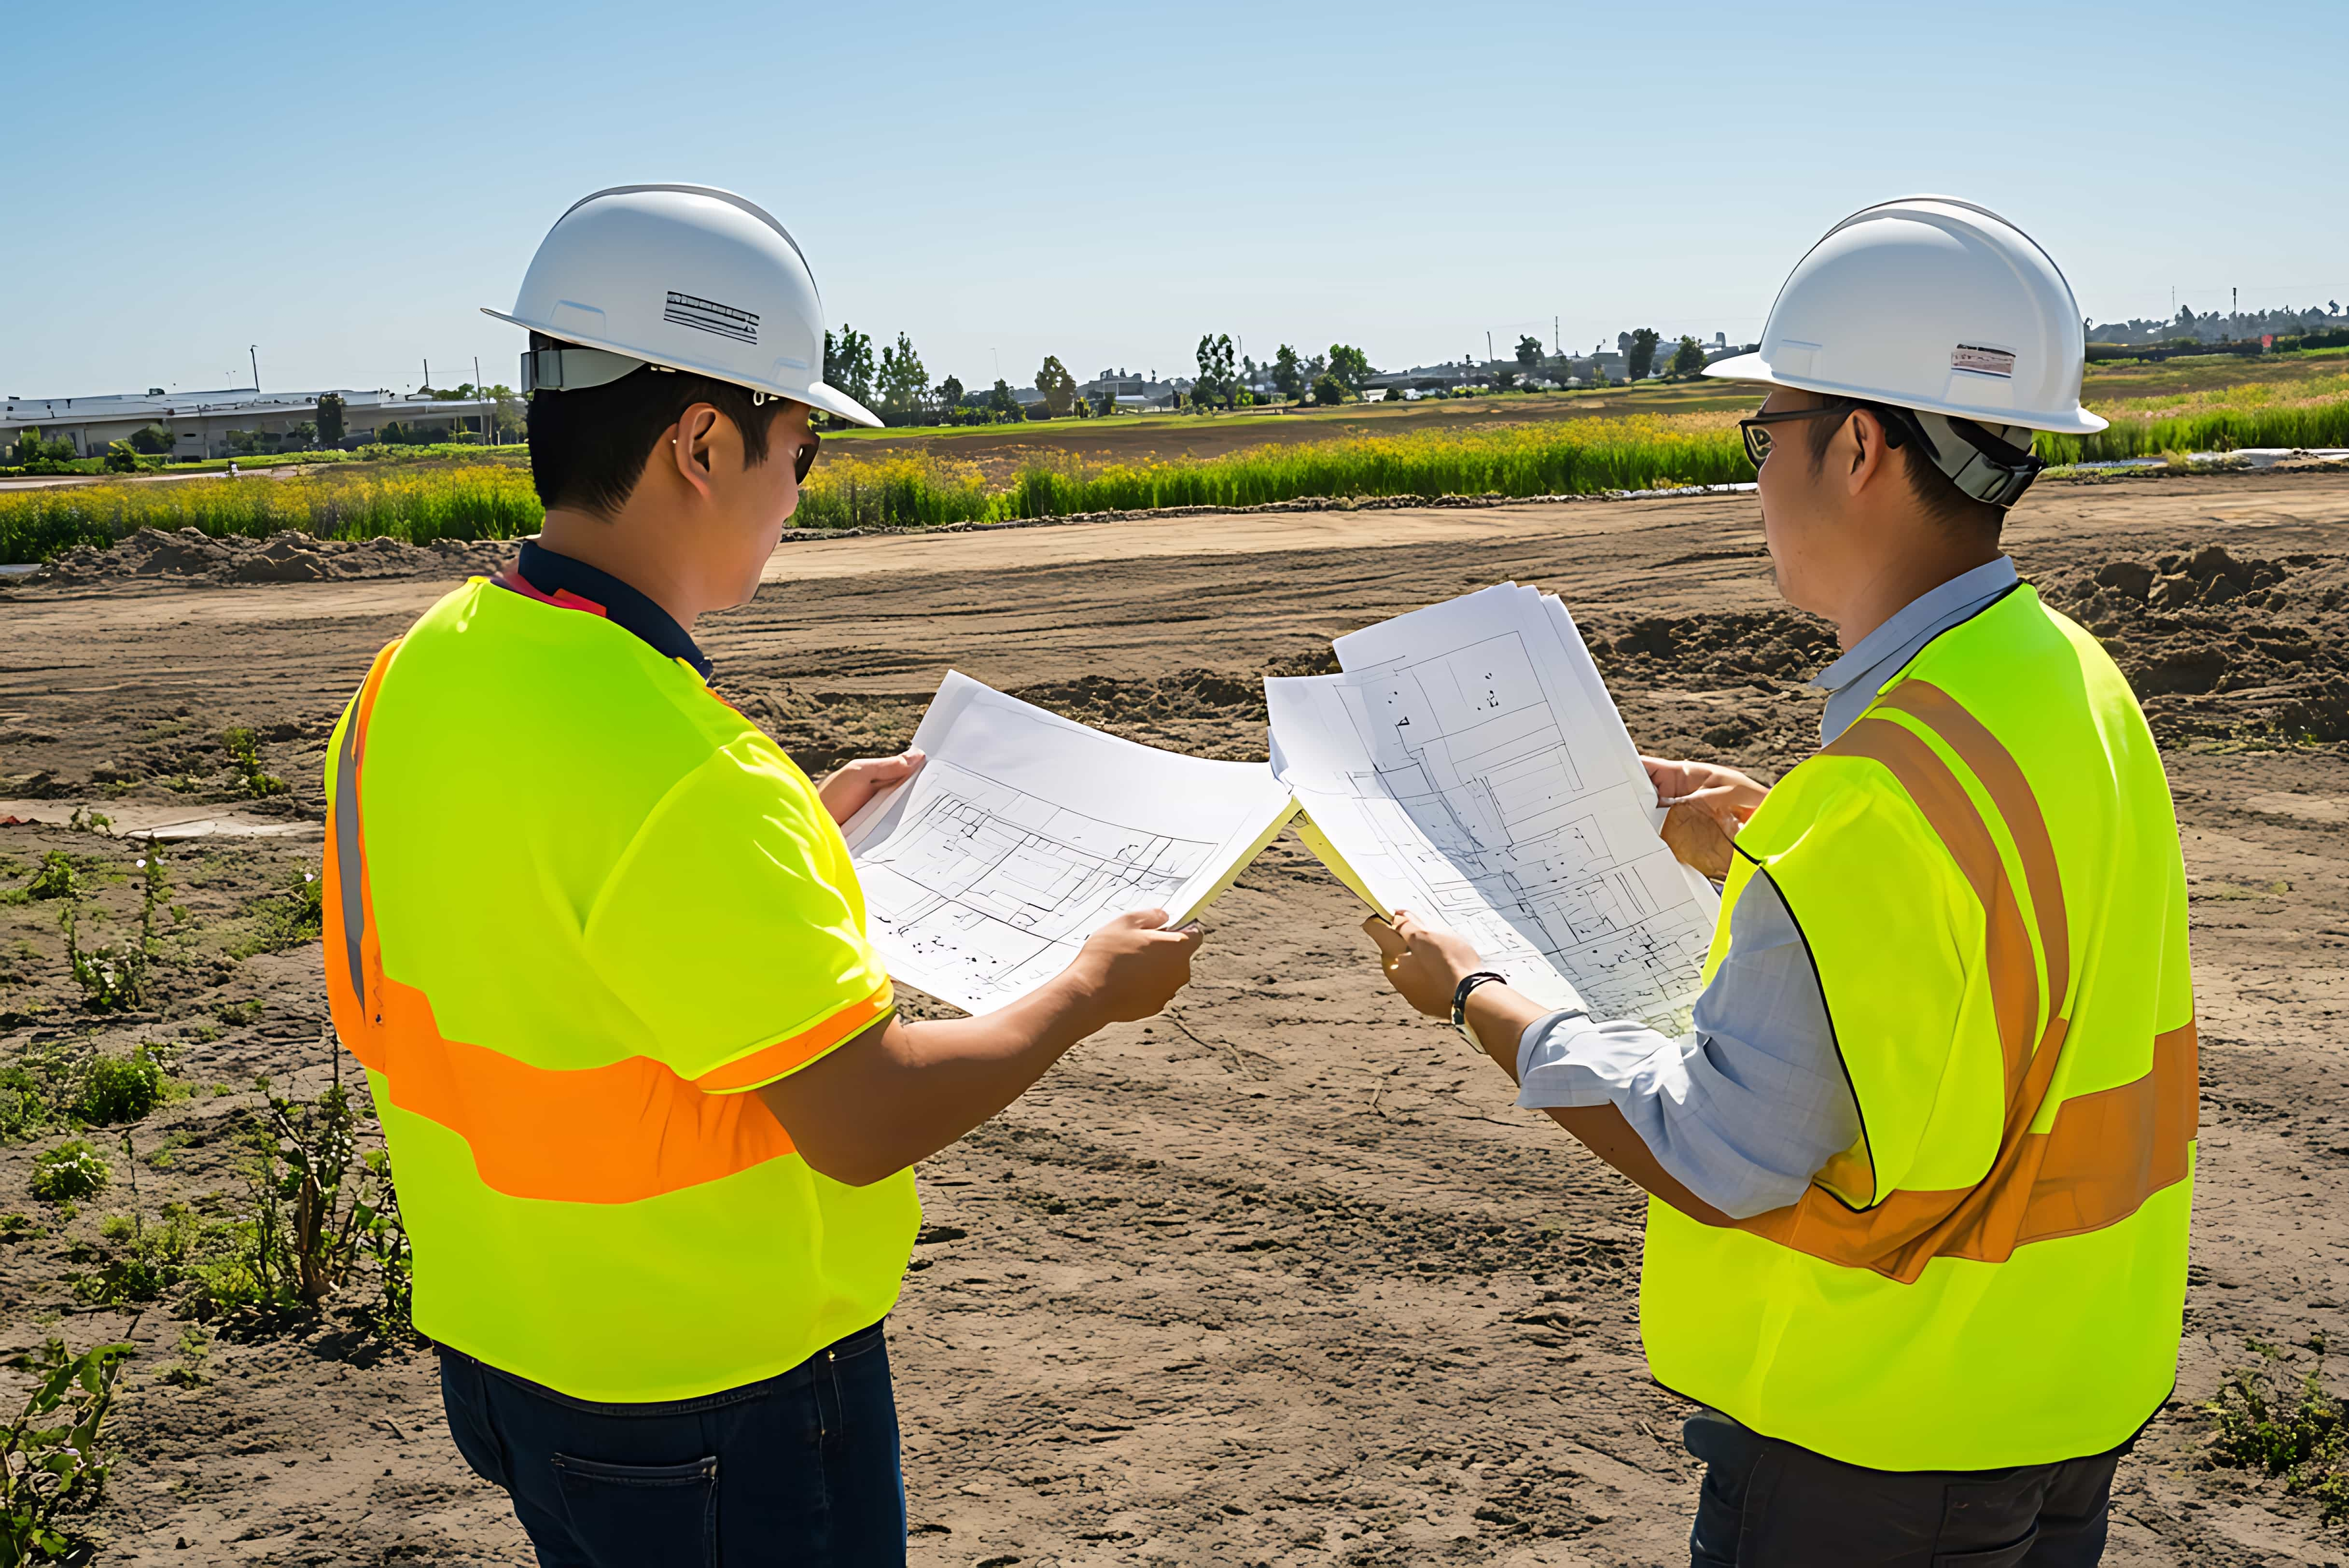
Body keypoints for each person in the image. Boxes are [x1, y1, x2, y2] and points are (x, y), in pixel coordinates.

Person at [321, 184, 1206, 1566]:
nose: (801, 488)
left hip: (509, 1351)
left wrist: (788, 847)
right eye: (800, 448)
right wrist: (1086, 991)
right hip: (711, 1399)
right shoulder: (686, 775)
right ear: (699, 442)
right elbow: (857, 1120)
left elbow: (545, 934)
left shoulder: (414, 673)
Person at [1360, 196, 2195, 1567]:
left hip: (1879, 1441)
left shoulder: (1869, 805)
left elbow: (1726, 1149)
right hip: (2063, 1399)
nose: (1756, 478)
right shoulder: (2065, 679)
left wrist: (1474, 999)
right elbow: (1989, 960)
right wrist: (1771, 844)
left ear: (1858, 446)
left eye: (1768, 433)